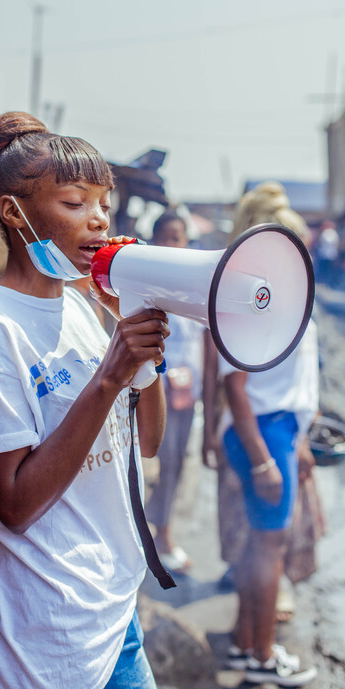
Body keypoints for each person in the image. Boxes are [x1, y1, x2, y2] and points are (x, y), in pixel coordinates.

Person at [0, 111, 171, 689]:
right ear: (15, 212)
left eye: (104, 202)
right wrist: (108, 374)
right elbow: (14, 505)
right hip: (45, 641)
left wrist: (137, 347)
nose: (99, 218)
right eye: (75, 201)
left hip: (111, 613)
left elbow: (147, 443)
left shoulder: (82, 310)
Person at [210, 182, 319, 687]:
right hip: (263, 433)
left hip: (276, 433)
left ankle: (244, 645)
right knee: (267, 550)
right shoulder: (259, 302)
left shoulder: (279, 298)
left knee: (261, 548)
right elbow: (236, 386)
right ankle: (262, 655)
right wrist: (262, 459)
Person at [145, 212, 204, 571]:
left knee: (177, 464)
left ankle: (160, 526)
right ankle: (160, 535)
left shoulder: (196, 286)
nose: (171, 243)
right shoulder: (147, 287)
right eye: (164, 236)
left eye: (177, 237)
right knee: (162, 466)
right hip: (156, 396)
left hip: (186, 396)